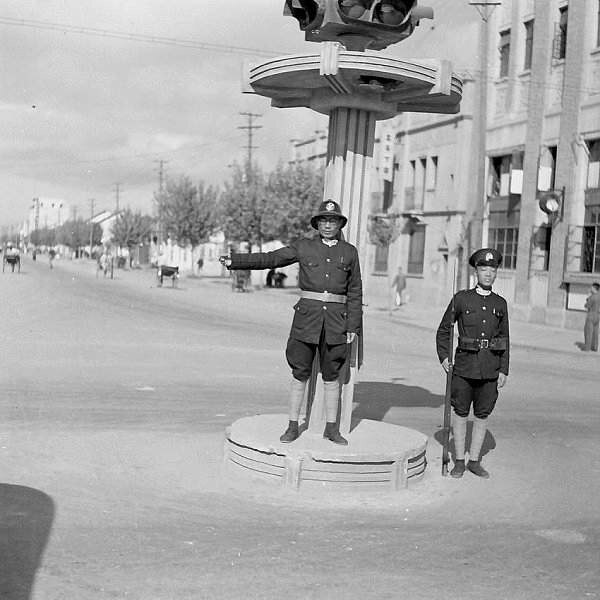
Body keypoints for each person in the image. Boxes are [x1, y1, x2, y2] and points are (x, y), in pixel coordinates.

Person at [220, 199, 363, 445]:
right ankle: (293, 426)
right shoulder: (304, 246)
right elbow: (271, 259)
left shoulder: (349, 252)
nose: (328, 225)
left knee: (332, 375)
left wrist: (353, 326)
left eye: (333, 220)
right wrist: (236, 261)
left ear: (340, 224)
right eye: (323, 220)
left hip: (336, 323)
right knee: (300, 372)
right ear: (317, 224)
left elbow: (355, 290)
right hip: (306, 320)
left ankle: (332, 428)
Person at [436, 248, 509, 479]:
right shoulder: (461, 298)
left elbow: (505, 338)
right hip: (464, 366)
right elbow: (444, 330)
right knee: (460, 411)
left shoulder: (501, 303)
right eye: (483, 269)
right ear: (476, 271)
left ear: (496, 273)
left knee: (482, 414)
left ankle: (474, 461)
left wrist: (504, 369)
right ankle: (459, 460)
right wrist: (445, 357)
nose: (488, 273)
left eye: (492, 269)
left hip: (490, 367)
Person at [583, 282, 600, 352]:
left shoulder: (592, 297)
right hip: (598, 315)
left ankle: (587, 348)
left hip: (591, 315)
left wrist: (588, 297)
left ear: (594, 288)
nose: (590, 288)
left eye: (591, 287)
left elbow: (587, 306)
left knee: (588, 332)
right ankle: (595, 347)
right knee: (595, 332)